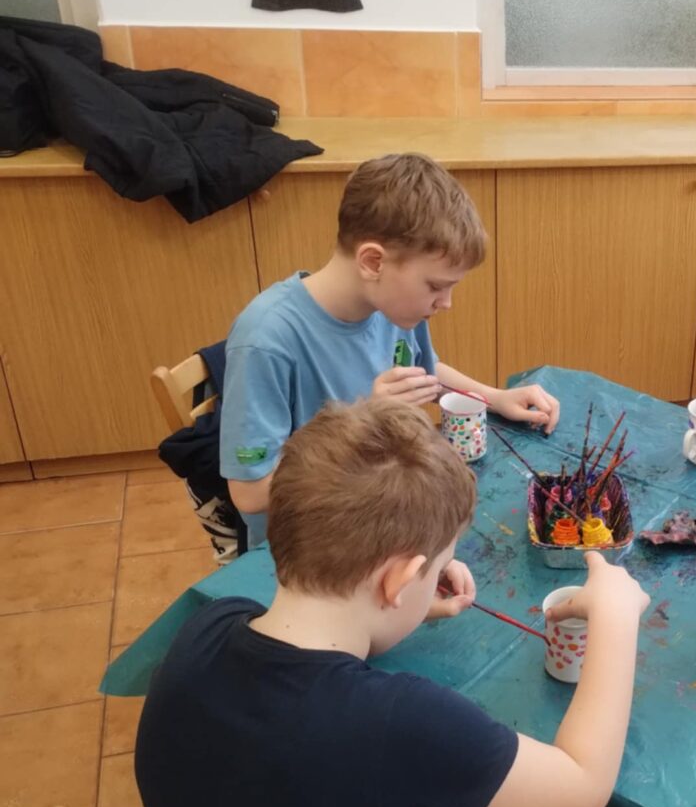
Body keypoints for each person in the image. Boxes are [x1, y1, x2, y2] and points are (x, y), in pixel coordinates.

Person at [137, 398, 649, 807]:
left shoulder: (204, 629)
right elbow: (582, 786)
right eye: (437, 568)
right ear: (398, 581)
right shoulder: (401, 724)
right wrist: (616, 618)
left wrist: (398, 604)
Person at [221, 152, 560, 550]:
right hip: (312, 547)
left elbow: (424, 376)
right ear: (373, 262)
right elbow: (250, 494)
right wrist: (364, 424)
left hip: (381, 510)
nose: (446, 303)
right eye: (435, 286)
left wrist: (493, 398)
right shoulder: (266, 341)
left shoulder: (388, 307)